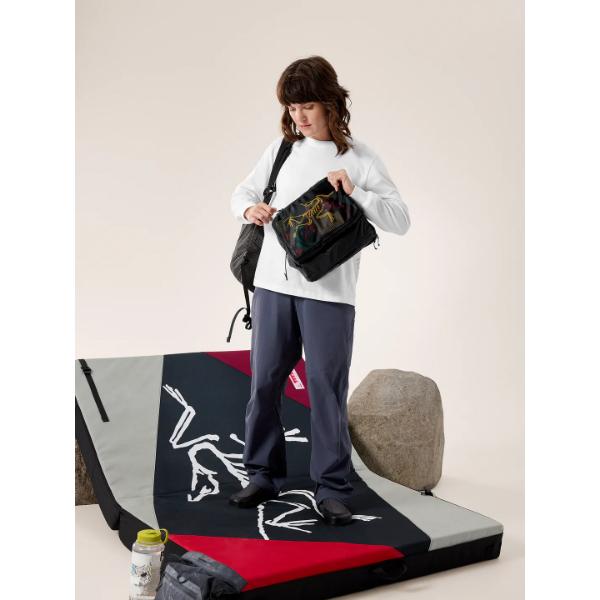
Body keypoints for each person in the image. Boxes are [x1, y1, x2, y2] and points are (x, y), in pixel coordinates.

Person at [228, 56, 411, 526]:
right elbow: (241, 193)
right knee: (264, 383)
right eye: (292, 108)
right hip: (271, 287)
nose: (300, 117)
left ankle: (331, 487)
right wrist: (249, 210)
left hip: (330, 294)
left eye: (307, 106)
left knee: (326, 388)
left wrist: (357, 193)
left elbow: (400, 220)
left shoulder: (360, 159)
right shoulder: (281, 150)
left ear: (331, 103)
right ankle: (262, 475)